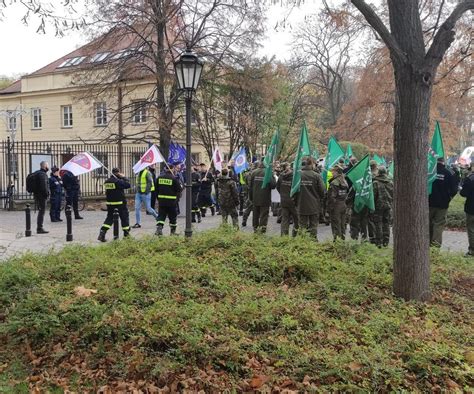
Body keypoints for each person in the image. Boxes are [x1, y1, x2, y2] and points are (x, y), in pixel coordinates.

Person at [429, 158, 459, 247]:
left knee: (427, 224)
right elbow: (454, 190)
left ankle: (425, 245)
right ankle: (435, 248)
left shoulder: (428, 171)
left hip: (428, 203)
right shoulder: (449, 173)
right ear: (443, 161)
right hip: (442, 204)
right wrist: (448, 198)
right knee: (438, 225)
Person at [294, 158, 326, 239]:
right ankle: (313, 241)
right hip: (314, 204)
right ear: (312, 164)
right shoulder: (316, 176)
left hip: (301, 203)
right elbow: (322, 190)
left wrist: (296, 201)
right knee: (313, 225)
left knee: (302, 225)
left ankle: (302, 242)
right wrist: (321, 198)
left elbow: (293, 190)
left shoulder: (298, 175)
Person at [98, 168, 131, 242]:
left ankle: (102, 233)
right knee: (124, 218)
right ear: (118, 173)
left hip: (110, 204)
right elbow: (128, 185)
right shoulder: (118, 181)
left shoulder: (107, 181)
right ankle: (126, 235)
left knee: (109, 218)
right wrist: (123, 177)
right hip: (120, 203)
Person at [155, 164, 183, 236]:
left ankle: (159, 228)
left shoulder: (159, 178)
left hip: (162, 201)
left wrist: (158, 198)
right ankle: (172, 232)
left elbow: (156, 189)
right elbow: (179, 189)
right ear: (172, 169)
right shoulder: (174, 178)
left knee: (161, 215)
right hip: (172, 202)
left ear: (165, 169)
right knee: (172, 217)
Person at [249, 161, 276, 233]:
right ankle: (262, 230)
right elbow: (273, 185)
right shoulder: (268, 173)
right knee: (264, 215)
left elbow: (250, 186)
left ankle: (255, 229)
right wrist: (272, 176)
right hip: (265, 197)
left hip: (255, 197)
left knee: (255, 214)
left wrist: (250, 197)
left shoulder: (254, 172)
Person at [372, 166, 393, 247]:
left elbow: (373, 196)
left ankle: (379, 242)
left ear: (379, 173)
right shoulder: (390, 182)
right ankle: (386, 242)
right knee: (386, 223)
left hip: (378, 206)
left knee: (378, 224)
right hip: (388, 206)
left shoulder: (375, 183)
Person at [327, 164, 349, 240]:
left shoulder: (334, 183)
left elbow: (332, 197)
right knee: (342, 224)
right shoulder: (344, 181)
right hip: (343, 204)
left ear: (337, 172)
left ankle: (337, 242)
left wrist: (329, 208)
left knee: (336, 224)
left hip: (336, 205)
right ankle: (342, 240)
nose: (332, 173)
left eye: (333, 171)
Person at [277, 162, 299, 236]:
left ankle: (284, 236)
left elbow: (278, 187)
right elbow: (297, 190)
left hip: (284, 200)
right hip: (293, 202)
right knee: (296, 220)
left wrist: (283, 194)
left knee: (285, 219)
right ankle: (294, 235)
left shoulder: (281, 176)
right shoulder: (295, 178)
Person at [460, 163, 474, 256]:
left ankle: (472, 250)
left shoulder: (470, 178)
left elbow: (463, 193)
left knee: (471, 229)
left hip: (471, 208)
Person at [33, 161, 50, 234]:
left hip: (37, 195)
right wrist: (47, 194)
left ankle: (39, 227)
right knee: (42, 211)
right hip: (42, 196)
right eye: (47, 165)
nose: (48, 167)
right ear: (45, 166)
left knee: (41, 211)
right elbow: (44, 187)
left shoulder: (37, 173)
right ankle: (39, 228)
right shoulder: (43, 175)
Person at [242, 162, 258, 227]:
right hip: (255, 192)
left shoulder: (247, 174)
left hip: (249, 192)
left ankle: (244, 220)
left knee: (248, 208)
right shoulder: (256, 173)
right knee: (256, 209)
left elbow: (246, 183)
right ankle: (256, 223)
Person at [367, 160, 379, 243]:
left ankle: (373, 238)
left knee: (371, 220)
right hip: (382, 201)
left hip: (372, 200)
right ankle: (380, 238)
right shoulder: (383, 174)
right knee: (380, 221)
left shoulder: (370, 176)